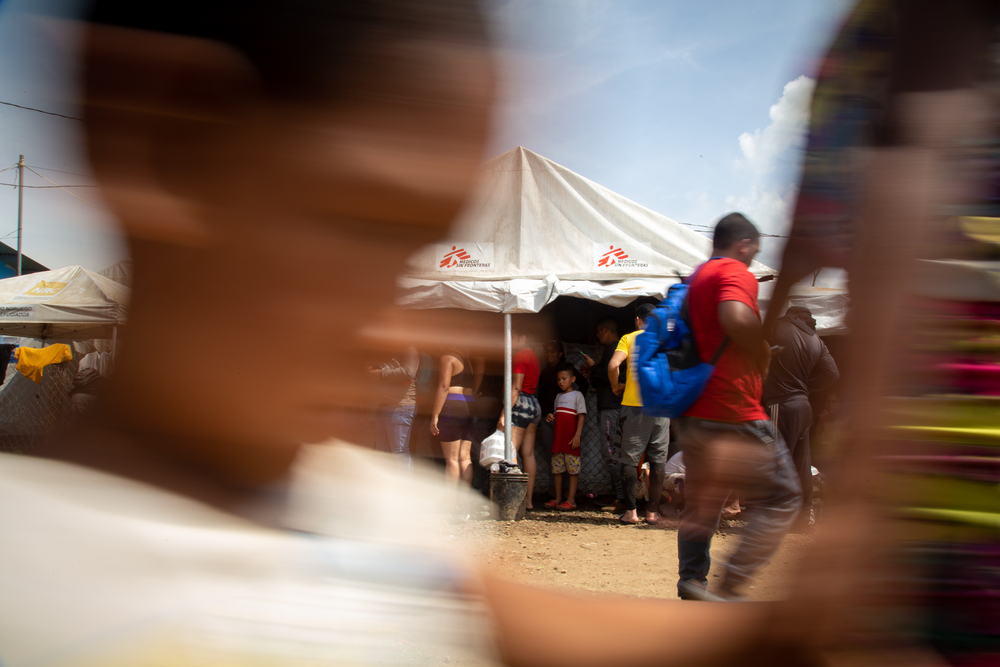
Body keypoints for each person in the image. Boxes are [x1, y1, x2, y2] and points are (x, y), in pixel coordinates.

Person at [0, 1, 852, 664]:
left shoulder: (373, 507)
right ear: (162, 142)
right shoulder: (27, 567)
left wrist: (803, 619)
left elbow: (541, 628)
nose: (396, 316)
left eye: (414, 241)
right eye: (361, 223)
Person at [676, 213, 801, 601]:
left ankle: (692, 580)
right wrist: (761, 348)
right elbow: (734, 316)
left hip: (695, 410)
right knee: (784, 496)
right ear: (744, 244)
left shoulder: (696, 278)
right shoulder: (734, 270)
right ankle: (731, 584)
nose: (752, 260)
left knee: (703, 503)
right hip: (734, 407)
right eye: (754, 251)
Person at [762, 307, 839, 526]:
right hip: (804, 406)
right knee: (802, 463)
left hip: (781, 403)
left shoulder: (777, 326)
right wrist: (807, 387)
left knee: (776, 459)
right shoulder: (816, 339)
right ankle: (804, 516)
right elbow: (833, 374)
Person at [607, 303, 670, 525]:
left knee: (628, 460)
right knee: (658, 460)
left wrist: (616, 386)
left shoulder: (629, 338)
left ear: (637, 320)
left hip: (635, 407)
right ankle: (652, 513)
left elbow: (613, 365)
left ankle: (631, 512)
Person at [582, 317, 625, 510]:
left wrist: (593, 366)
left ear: (606, 330)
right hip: (609, 405)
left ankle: (621, 498)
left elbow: (608, 374)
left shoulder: (615, 348)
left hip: (611, 407)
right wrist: (592, 374)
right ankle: (618, 495)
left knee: (610, 452)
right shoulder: (616, 349)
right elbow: (602, 379)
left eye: (599, 332)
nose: (598, 336)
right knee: (612, 452)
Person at [499, 328, 541, 509]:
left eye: (513, 338)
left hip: (520, 404)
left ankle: (513, 501)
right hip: (533, 404)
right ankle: (528, 501)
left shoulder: (519, 356)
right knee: (528, 453)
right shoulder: (533, 356)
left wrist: (503, 413)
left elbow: (515, 388)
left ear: (523, 338)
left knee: (511, 451)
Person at [543, 364, 587, 510]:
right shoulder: (558, 397)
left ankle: (571, 500)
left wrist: (577, 435)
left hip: (571, 441)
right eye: (559, 379)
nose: (561, 382)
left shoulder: (578, 395)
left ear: (573, 379)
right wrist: (551, 416)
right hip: (558, 440)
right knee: (557, 470)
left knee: (573, 471)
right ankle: (557, 498)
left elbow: (581, 417)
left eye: (564, 378)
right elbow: (558, 416)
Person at [368, 346, 419, 470]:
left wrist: (381, 374)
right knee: (382, 453)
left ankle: (405, 489)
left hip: (400, 407)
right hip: (383, 407)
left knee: (399, 453)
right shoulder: (385, 349)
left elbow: (408, 372)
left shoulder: (408, 348)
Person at [430, 349, 475, 489]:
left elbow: (444, 386)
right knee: (465, 458)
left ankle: (450, 505)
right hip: (469, 405)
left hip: (452, 406)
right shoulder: (466, 360)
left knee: (452, 459)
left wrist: (435, 415)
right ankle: (463, 504)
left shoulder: (447, 358)